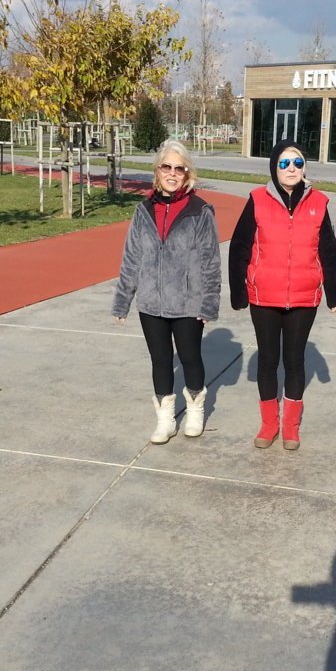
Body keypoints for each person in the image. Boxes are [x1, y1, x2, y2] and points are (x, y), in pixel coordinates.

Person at [229, 139, 336, 450]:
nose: (291, 168)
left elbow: (329, 250)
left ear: (304, 168)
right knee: (268, 360)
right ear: (274, 168)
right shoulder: (257, 200)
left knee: (294, 360)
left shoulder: (319, 202)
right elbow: (239, 247)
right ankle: (269, 424)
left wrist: (334, 293)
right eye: (284, 163)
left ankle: (291, 426)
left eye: (297, 163)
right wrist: (239, 291)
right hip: (264, 297)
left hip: (304, 298)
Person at [112, 139, 221, 443]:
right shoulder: (143, 211)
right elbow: (132, 257)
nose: (172, 173)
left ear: (188, 174)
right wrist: (123, 300)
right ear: (157, 171)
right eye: (166, 167)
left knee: (190, 357)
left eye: (179, 168)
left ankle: (195, 411)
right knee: (160, 360)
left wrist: (209, 303)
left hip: (188, 303)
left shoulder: (200, 211)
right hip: (151, 302)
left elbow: (210, 261)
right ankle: (165, 420)